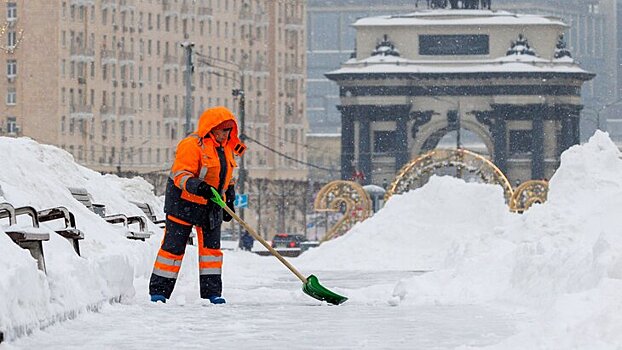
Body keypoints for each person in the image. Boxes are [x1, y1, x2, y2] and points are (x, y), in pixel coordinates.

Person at [149, 106, 246, 304]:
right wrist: (199, 187)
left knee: (211, 252)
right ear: (211, 128)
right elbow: (181, 174)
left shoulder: (227, 148)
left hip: (211, 205)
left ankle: (212, 293)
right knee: (172, 249)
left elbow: (227, 177)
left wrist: (229, 197)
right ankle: (159, 292)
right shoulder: (192, 145)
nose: (226, 134)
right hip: (183, 204)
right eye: (222, 130)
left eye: (229, 130)